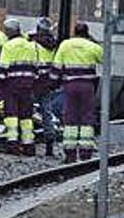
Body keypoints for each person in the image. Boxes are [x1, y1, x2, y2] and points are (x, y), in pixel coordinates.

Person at [52, 22, 103, 163]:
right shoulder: (92, 46)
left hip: (70, 85)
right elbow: (104, 59)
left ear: (74, 32)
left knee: (70, 117)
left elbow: (56, 67)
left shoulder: (65, 45)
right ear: (87, 33)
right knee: (87, 117)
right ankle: (86, 153)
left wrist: (52, 83)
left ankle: (70, 153)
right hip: (87, 86)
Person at [0, 19, 39, 156]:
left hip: (12, 85)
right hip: (27, 85)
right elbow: (36, 68)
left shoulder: (8, 46)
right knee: (26, 116)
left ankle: (12, 144)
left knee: (11, 115)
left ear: (9, 31)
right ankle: (29, 145)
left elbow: (3, 68)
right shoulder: (31, 46)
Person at [29, 17, 60, 156]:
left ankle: (28, 142)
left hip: (35, 81)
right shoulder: (53, 45)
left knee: (28, 112)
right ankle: (49, 145)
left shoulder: (34, 45)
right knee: (47, 113)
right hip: (47, 82)